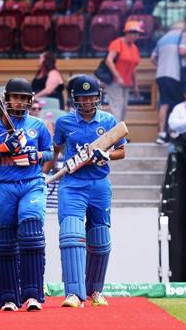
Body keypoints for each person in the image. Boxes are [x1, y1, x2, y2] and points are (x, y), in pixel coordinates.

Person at [47, 74, 126, 308]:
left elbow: (122, 152)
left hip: (99, 185)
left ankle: (95, 292)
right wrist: (42, 173)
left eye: (91, 97)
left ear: (97, 97)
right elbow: (55, 152)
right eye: (82, 98)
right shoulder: (64, 123)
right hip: (72, 185)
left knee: (100, 239)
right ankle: (74, 294)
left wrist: (107, 155)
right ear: (75, 99)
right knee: (71, 235)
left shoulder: (109, 121)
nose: (87, 102)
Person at [0, 78, 53, 311]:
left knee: (31, 232)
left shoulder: (38, 126)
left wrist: (35, 157)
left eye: (24, 98)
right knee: (5, 241)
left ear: (30, 100)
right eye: (16, 97)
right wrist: (3, 148)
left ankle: (33, 295)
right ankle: (8, 298)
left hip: (31, 182)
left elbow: (49, 152)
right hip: (4, 185)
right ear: (7, 99)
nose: (20, 102)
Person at [151, 22, 186, 144]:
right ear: (184, 28)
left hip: (161, 74)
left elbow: (153, 58)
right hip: (174, 75)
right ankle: (175, 133)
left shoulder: (162, 38)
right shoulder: (182, 34)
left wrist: (162, 66)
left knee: (164, 103)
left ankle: (161, 134)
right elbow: (182, 51)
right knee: (177, 103)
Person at [105, 20, 142, 122]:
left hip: (126, 83)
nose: (136, 36)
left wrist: (136, 86)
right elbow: (109, 60)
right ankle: (116, 135)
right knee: (117, 106)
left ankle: (119, 134)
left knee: (124, 108)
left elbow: (133, 68)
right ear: (127, 33)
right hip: (114, 81)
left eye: (137, 33)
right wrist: (118, 76)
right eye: (134, 33)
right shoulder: (118, 43)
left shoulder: (134, 48)